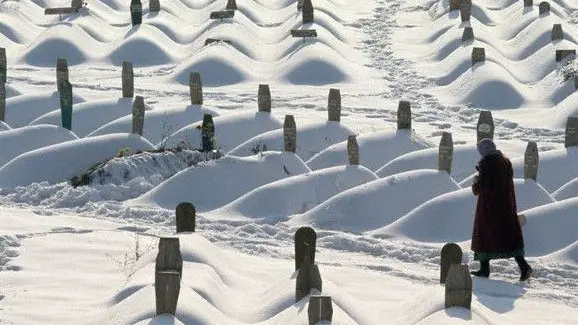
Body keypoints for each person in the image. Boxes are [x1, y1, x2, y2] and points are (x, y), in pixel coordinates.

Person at [471, 138, 533, 281]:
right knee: (509, 237)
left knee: (485, 235)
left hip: (489, 207)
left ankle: (484, 269)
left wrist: (475, 183)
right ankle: (524, 267)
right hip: (506, 205)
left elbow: (482, 188)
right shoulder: (505, 162)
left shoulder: (486, 165)